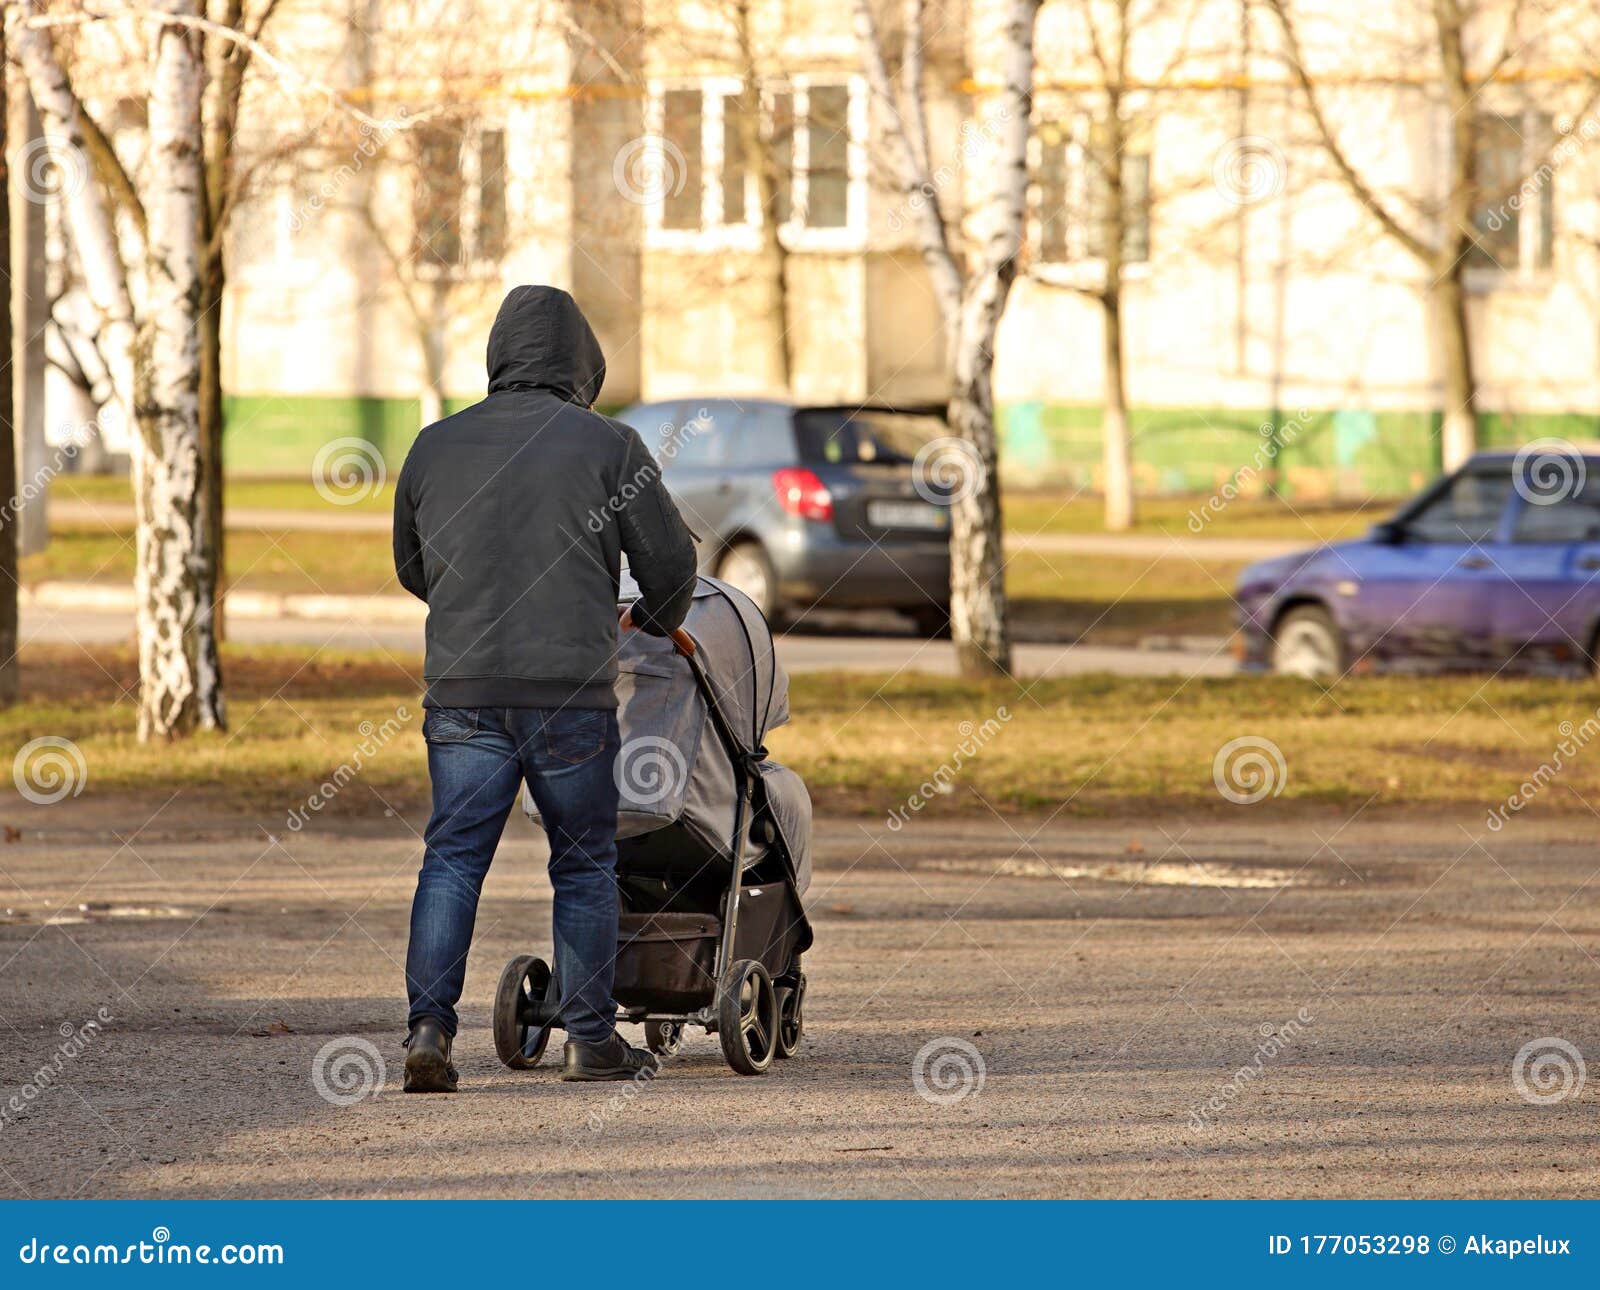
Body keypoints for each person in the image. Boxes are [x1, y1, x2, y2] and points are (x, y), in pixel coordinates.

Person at [393, 285, 698, 1092]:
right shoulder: (609, 446)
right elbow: (670, 567)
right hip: (570, 695)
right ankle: (588, 1040)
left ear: (498, 354)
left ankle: (429, 1031)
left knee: (453, 860)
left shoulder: (433, 445)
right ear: (581, 363)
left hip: (462, 691)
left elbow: (413, 566)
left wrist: (472, 615)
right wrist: (657, 621)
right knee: (584, 861)